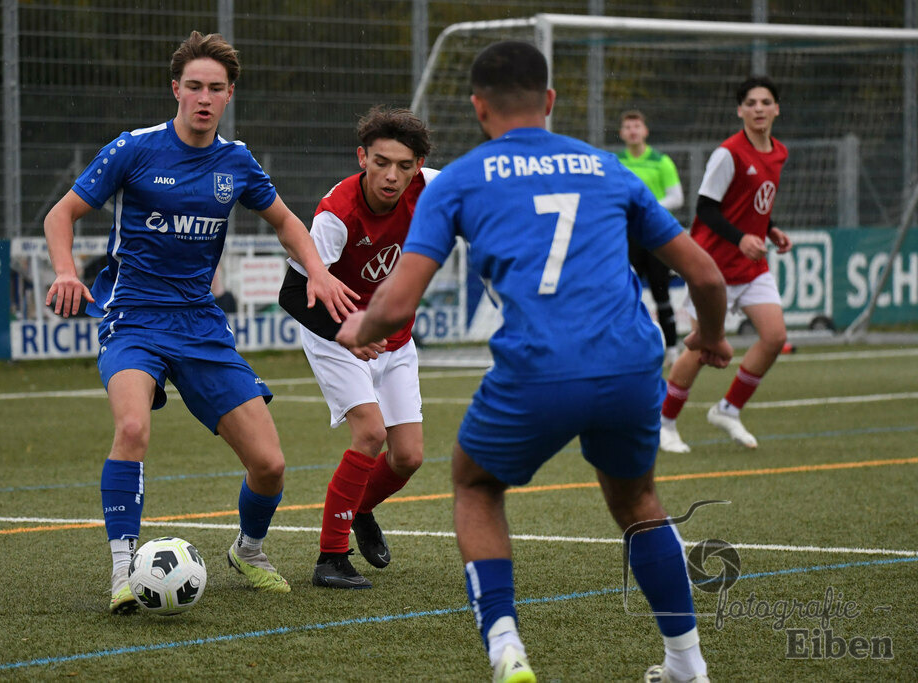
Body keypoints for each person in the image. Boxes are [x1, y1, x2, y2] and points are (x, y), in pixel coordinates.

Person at [335, 41, 731, 683]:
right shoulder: (608, 167)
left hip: (537, 367)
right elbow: (707, 277)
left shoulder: (458, 180)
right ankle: (687, 663)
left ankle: (505, 644)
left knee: (475, 483)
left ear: (478, 106)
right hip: (630, 364)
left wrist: (360, 323)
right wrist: (708, 339)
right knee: (638, 502)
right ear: (549, 102)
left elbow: (398, 299)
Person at [43, 30, 358, 614]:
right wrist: (65, 271)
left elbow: (288, 223)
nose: (204, 98)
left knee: (270, 464)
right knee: (133, 428)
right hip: (133, 317)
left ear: (229, 94)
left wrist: (315, 270)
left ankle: (249, 549)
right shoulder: (133, 149)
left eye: (216, 88)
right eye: (194, 86)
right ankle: (121, 569)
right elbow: (62, 214)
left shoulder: (235, 161)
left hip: (201, 326)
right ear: (176, 89)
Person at [279, 106, 438, 589]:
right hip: (335, 334)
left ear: (418, 166)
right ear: (362, 157)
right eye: (381, 162)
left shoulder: (432, 186)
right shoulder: (337, 216)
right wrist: (345, 334)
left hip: (395, 337)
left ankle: (362, 507)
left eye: (404, 166)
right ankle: (331, 557)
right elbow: (291, 295)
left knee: (408, 456)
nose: (392, 176)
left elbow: (484, 194)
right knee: (370, 435)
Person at [659, 76, 793, 454]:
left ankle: (728, 409)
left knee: (775, 337)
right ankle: (665, 423)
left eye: (766, 102)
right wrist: (741, 238)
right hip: (713, 269)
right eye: (750, 103)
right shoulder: (728, 153)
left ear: (776, 108)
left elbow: (754, 206)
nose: (759, 109)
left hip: (751, 267)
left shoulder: (779, 152)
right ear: (740, 111)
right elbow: (706, 209)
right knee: (704, 350)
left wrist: (771, 229)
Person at [617, 110, 685, 368]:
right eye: (628, 127)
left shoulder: (661, 161)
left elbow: (676, 197)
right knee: (624, 294)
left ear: (645, 131)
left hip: (656, 239)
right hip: (628, 238)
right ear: (622, 133)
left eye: (637, 126)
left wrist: (645, 207)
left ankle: (671, 350)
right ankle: (626, 351)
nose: (633, 131)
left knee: (661, 294)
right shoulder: (615, 161)